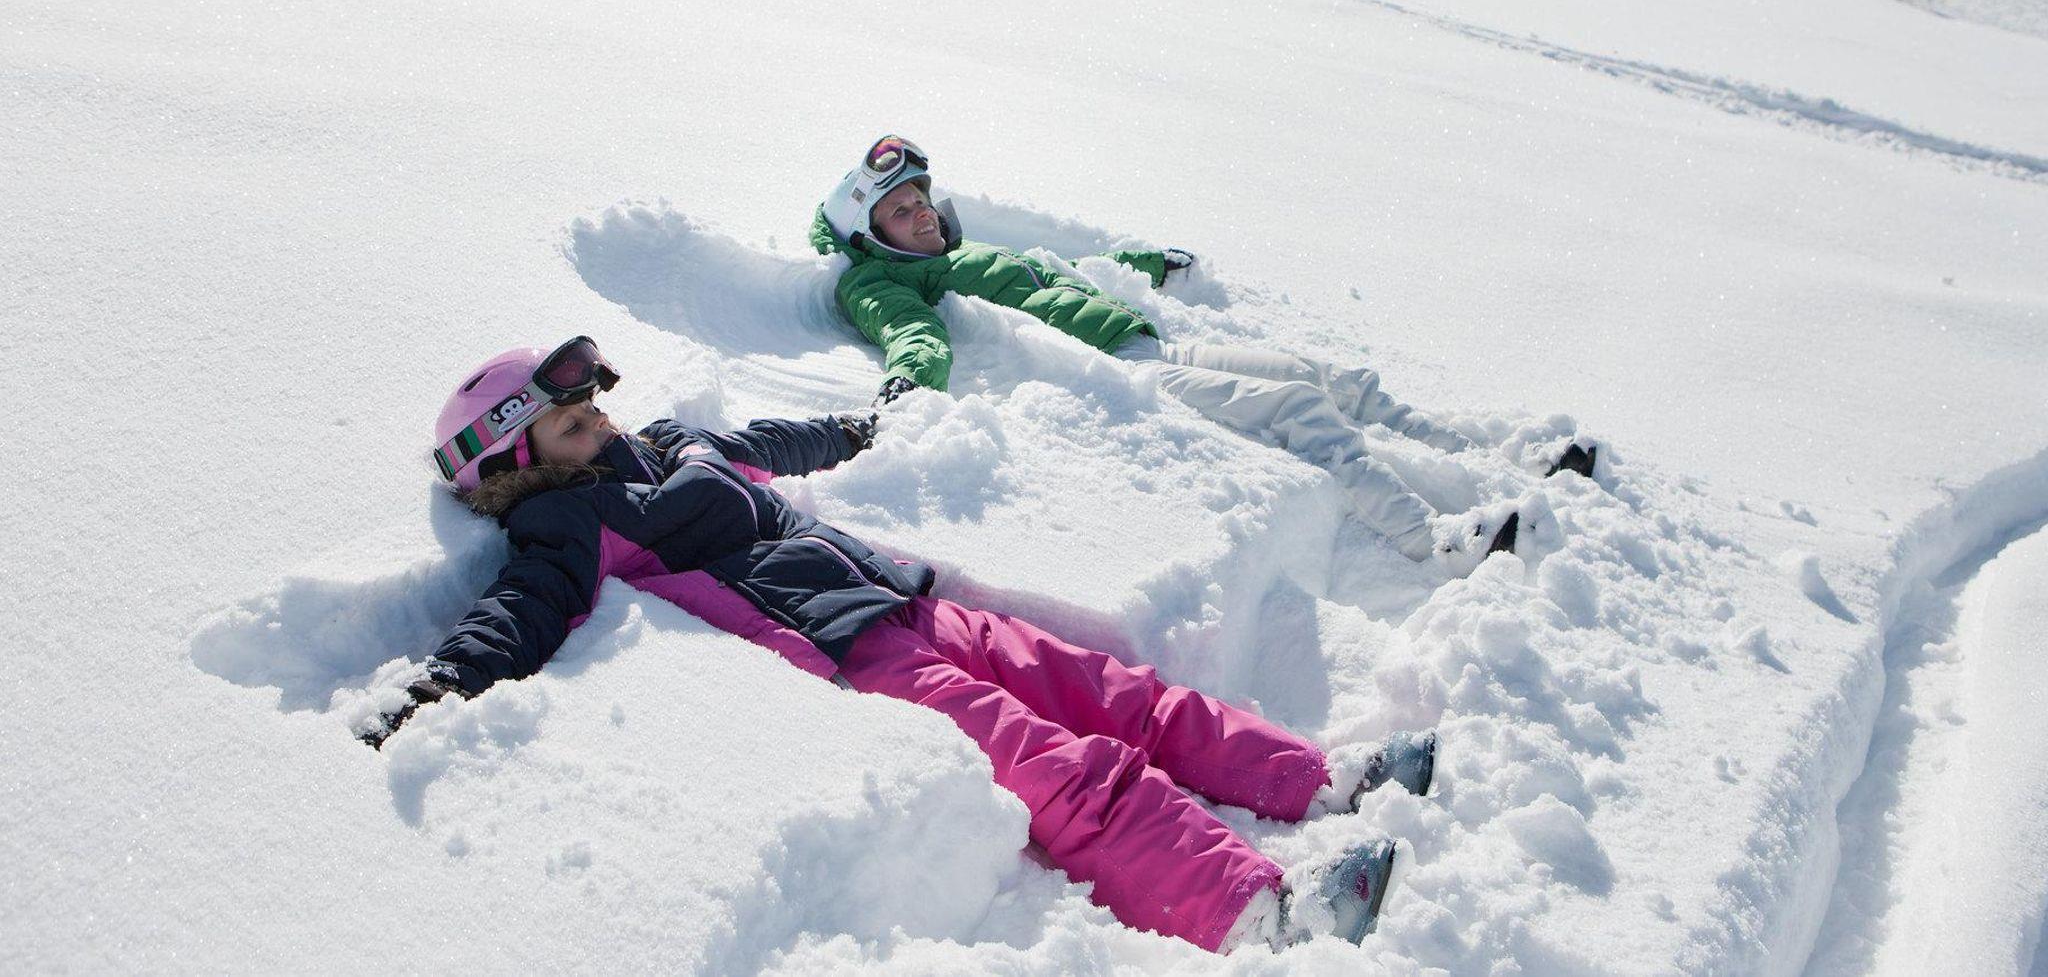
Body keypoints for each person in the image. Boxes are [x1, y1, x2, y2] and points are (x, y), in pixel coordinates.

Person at [370, 337, 1437, 953]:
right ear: (515, 466)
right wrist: (438, 685)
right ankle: (1252, 911)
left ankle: (1313, 779)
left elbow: (765, 442)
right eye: (570, 427)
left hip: (903, 598)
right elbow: (522, 608)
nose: (600, 427)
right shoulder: (568, 521)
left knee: (1116, 690)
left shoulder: (663, 445)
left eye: (592, 409)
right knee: (1059, 767)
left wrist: (856, 428)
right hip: (852, 650)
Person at [813, 137, 1586, 570]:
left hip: (1152, 339)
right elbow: (911, 335)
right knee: (1298, 406)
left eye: (920, 199)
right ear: (869, 234)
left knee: (1330, 378)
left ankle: (1503, 456)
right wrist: (908, 384)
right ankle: (1436, 543)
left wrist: (1144, 265)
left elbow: (1061, 268)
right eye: (899, 210)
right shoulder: (879, 282)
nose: (920, 214)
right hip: (1126, 371)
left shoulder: (956, 250)